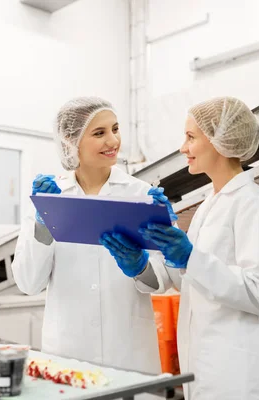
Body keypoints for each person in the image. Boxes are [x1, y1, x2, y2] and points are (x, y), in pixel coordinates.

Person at [11, 97, 176, 377]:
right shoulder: (50, 198)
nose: (112, 141)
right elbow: (28, 282)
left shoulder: (141, 195)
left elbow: (162, 281)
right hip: (69, 351)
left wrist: (141, 267)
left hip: (128, 350)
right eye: (99, 133)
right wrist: (43, 226)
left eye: (115, 129)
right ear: (71, 142)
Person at [139, 97, 259, 399]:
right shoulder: (210, 204)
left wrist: (190, 257)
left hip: (240, 374)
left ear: (221, 142)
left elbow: (258, 292)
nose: (183, 148)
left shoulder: (255, 205)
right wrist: (158, 248)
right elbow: (194, 282)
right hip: (206, 367)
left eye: (191, 137)